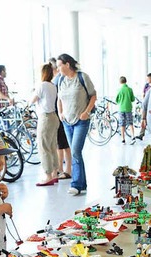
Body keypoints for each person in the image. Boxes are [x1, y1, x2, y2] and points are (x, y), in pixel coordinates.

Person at [56, 53, 97, 196]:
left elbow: (93, 95)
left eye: (60, 65)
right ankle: (82, 184)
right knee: (76, 152)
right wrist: (60, 112)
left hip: (81, 120)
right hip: (67, 121)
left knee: (75, 151)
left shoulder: (82, 77)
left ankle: (76, 184)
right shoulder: (61, 80)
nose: (58, 68)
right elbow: (59, 98)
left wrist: (86, 112)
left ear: (67, 64)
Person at [30, 63, 60, 186]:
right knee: (52, 146)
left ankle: (47, 176)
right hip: (54, 117)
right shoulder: (53, 86)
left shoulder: (42, 85)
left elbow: (32, 100)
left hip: (45, 118)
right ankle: (54, 173)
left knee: (43, 147)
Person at [48, 57, 71, 180]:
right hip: (62, 115)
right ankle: (63, 169)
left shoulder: (57, 81)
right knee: (63, 145)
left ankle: (64, 170)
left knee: (62, 145)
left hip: (60, 115)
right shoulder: (59, 80)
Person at [135, 73, 151, 141]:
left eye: (148, 78)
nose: (147, 80)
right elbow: (143, 93)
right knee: (143, 119)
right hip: (146, 104)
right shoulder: (146, 85)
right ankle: (141, 134)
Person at [115, 76, 135, 144]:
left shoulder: (119, 90)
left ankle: (123, 139)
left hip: (121, 109)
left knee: (122, 124)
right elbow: (133, 99)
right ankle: (133, 137)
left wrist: (120, 102)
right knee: (130, 123)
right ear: (126, 81)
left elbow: (116, 100)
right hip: (128, 108)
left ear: (119, 82)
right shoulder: (130, 89)